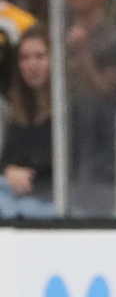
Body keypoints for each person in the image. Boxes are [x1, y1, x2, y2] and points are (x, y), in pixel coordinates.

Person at [0, 24, 53, 218]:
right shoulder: (17, 112)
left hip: (54, 201)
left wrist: (31, 177)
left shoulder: (73, 110)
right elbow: (7, 158)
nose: (32, 65)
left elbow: (75, 166)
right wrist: (9, 170)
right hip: (17, 199)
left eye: (39, 56)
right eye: (25, 58)